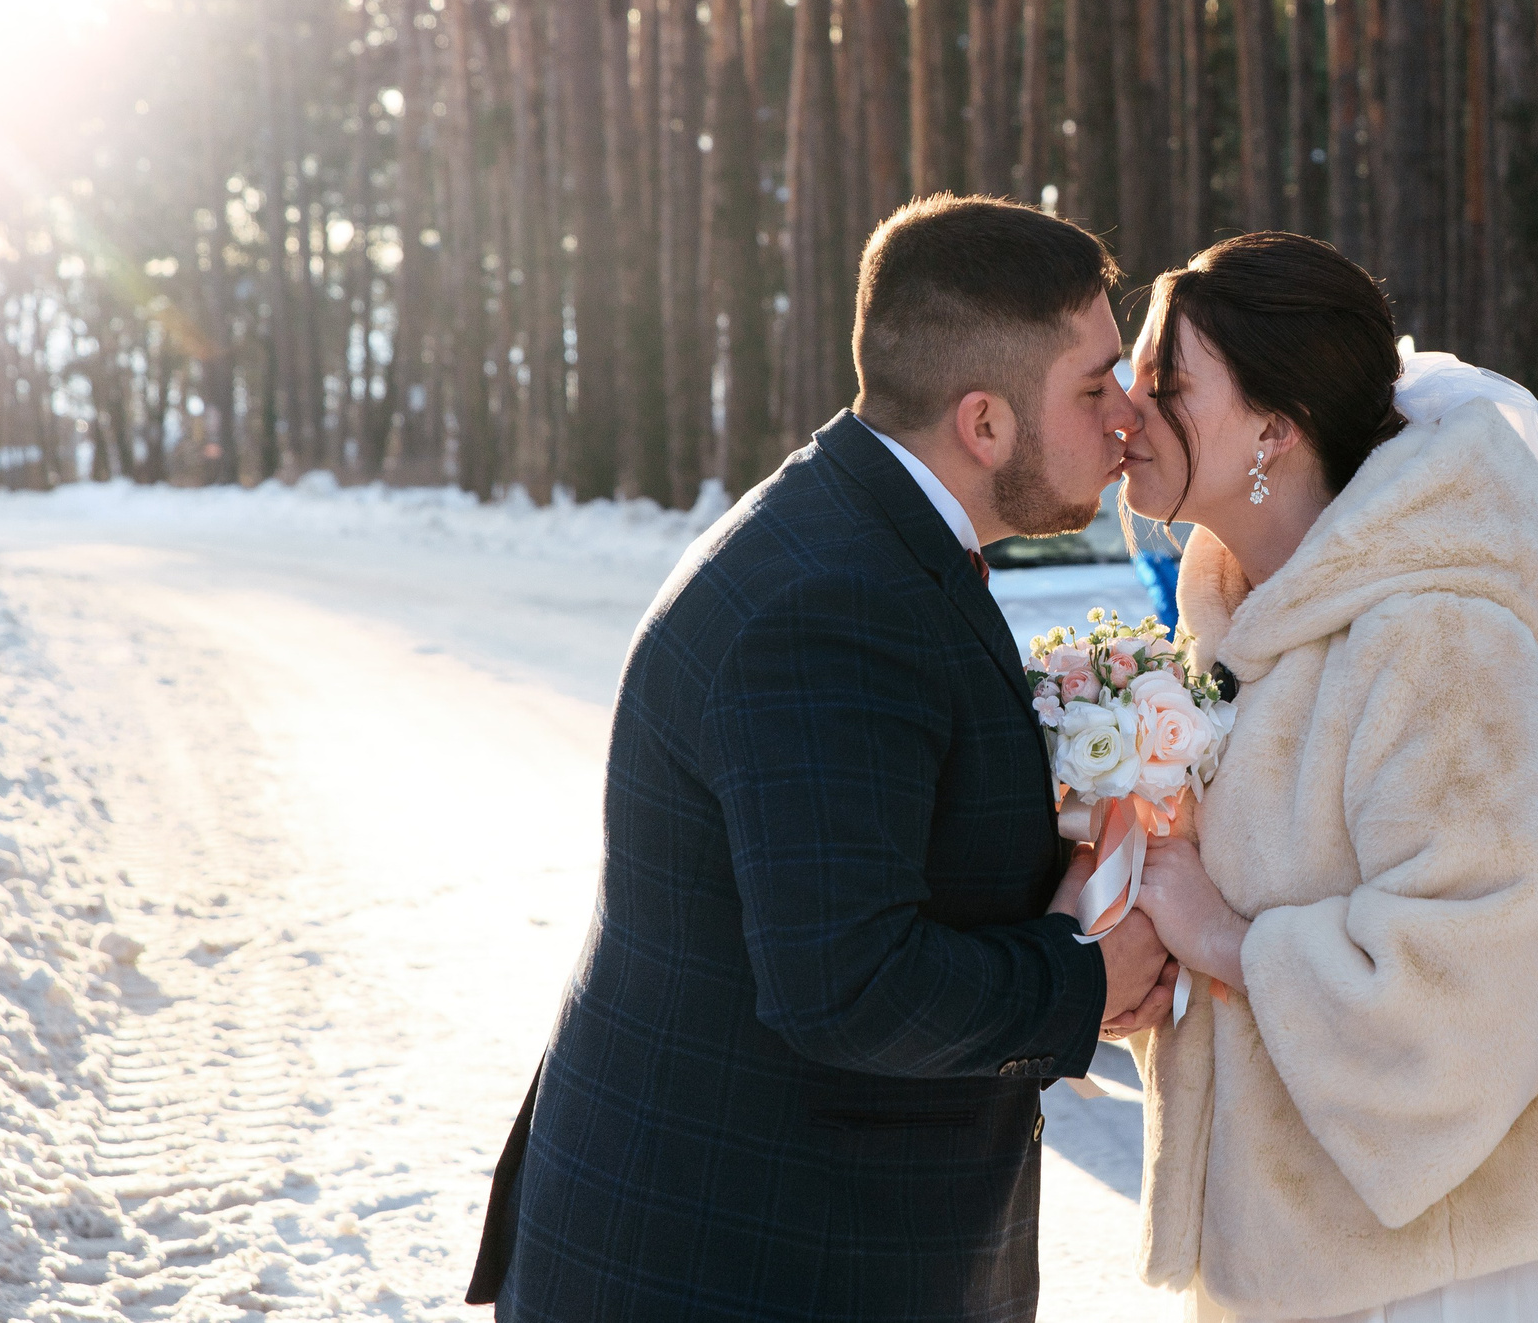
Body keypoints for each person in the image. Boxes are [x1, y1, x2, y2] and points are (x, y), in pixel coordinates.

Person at [466, 195, 1174, 1323]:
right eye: (1094, 389)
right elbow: (847, 984)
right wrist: (1082, 984)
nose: (1126, 417)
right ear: (984, 424)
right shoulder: (835, 605)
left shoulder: (860, 527)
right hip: (736, 1262)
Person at [1114, 231, 1538, 1323]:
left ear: (1274, 429)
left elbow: (1474, 983)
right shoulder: (1243, 639)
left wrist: (1220, 936)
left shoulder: (1438, 640)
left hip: (1449, 1280)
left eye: (1164, 382)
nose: (1126, 410)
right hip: (1311, 1265)